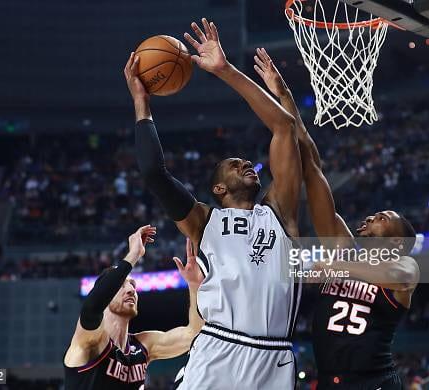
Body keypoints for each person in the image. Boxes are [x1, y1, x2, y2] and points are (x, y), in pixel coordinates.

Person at [124, 18, 302, 389]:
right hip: (219, 347)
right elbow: (155, 174)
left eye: (248, 162)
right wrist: (142, 104)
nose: (246, 164)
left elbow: (285, 128)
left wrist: (225, 70)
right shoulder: (205, 220)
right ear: (219, 189)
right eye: (234, 165)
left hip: (275, 358)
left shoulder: (279, 211)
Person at [254, 47, 419, 390]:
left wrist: (336, 268)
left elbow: (398, 278)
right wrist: (285, 97)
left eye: (384, 217)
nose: (373, 216)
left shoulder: (404, 267)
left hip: (375, 382)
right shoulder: (343, 247)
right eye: (375, 215)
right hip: (329, 382)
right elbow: (312, 166)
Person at [63, 226, 204, 390]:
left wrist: (194, 287)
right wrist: (133, 255)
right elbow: (91, 308)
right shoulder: (91, 341)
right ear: (106, 293)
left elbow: (194, 335)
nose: (131, 290)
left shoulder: (143, 345)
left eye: (132, 286)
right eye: (121, 286)